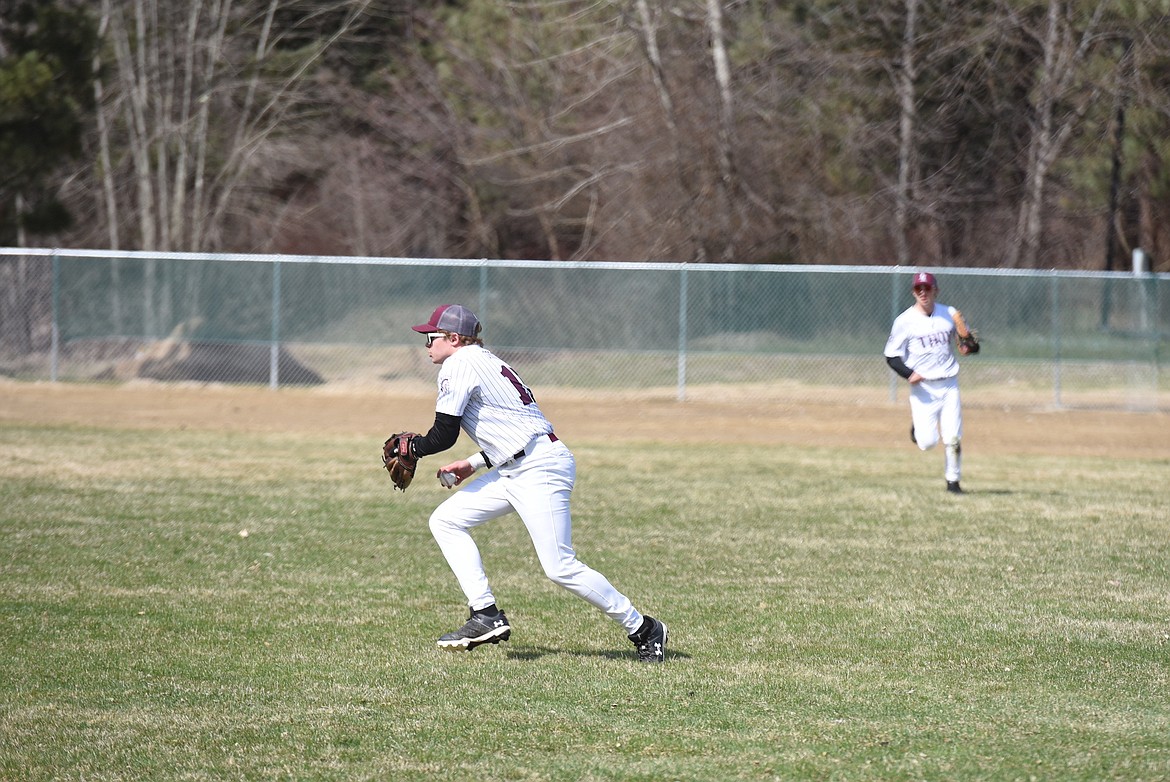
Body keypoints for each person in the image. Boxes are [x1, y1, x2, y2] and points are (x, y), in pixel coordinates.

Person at [392, 304, 668, 662]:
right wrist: (474, 463)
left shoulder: (458, 364)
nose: (426, 344)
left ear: (454, 339)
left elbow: (444, 434)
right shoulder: (487, 361)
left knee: (560, 566)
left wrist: (414, 447)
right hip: (519, 465)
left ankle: (644, 628)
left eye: (431, 337)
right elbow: (516, 426)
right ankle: (485, 614)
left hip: (539, 470)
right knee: (445, 521)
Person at [883, 272, 979, 494]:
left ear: (936, 290)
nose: (923, 292)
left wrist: (969, 345)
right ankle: (918, 430)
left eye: (927, 288)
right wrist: (908, 374)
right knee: (927, 443)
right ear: (913, 292)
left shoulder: (949, 314)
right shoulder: (904, 321)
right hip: (923, 388)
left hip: (948, 383)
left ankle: (953, 482)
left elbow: (969, 346)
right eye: (919, 289)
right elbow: (891, 356)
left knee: (953, 438)